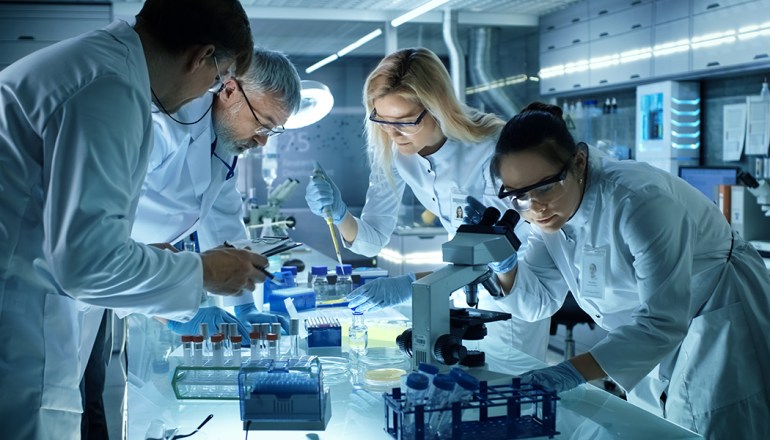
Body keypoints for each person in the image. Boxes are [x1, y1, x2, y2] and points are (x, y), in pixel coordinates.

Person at [0, 1, 263, 438]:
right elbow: (88, 266)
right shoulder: (111, 88)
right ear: (202, 57)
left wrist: (149, 264)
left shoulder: (99, 66)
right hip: (20, 330)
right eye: (217, 79)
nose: (206, 94)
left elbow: (73, 238)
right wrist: (202, 272)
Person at [489, 102, 770, 439]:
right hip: (644, 336)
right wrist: (505, 266)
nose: (534, 207)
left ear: (578, 162)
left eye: (545, 187)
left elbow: (662, 321)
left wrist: (570, 372)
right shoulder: (547, 215)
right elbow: (539, 302)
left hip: (715, 313)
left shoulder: (638, 201)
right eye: (519, 196)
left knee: (709, 424)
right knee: (655, 425)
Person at [304, 47, 550, 364]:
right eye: (381, 120)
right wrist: (339, 214)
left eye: (406, 122)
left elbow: (499, 253)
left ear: (438, 108)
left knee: (512, 394)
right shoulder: (395, 150)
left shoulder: (493, 149)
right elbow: (372, 238)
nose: (392, 134)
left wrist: (410, 285)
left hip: (514, 293)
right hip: (457, 289)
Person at [136, 47, 302, 336]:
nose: (262, 141)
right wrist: (171, 316)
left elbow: (223, 217)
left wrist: (244, 305)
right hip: (111, 278)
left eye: (272, 131)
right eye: (262, 124)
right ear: (229, 90)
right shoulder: (164, 125)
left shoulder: (224, 144)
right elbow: (107, 247)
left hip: (142, 279)